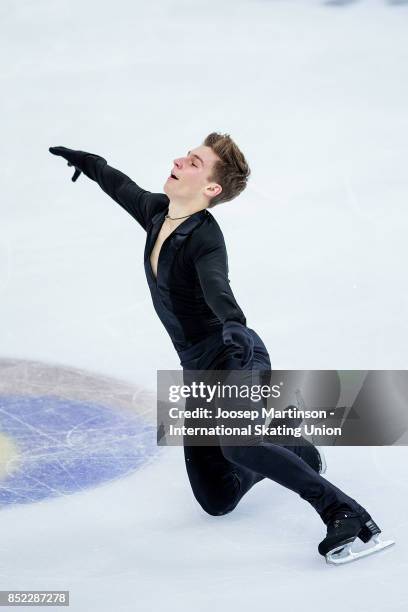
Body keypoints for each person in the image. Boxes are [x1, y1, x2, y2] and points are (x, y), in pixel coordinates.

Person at [49, 133, 394, 565]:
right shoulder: (158, 212)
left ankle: (343, 511)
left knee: (236, 444)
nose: (179, 159)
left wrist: (233, 324)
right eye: (186, 155)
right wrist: (88, 160)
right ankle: (292, 444)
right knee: (217, 499)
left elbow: (217, 286)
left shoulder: (206, 238)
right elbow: (120, 185)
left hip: (236, 356)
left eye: (194, 162)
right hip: (198, 371)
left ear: (211, 188)